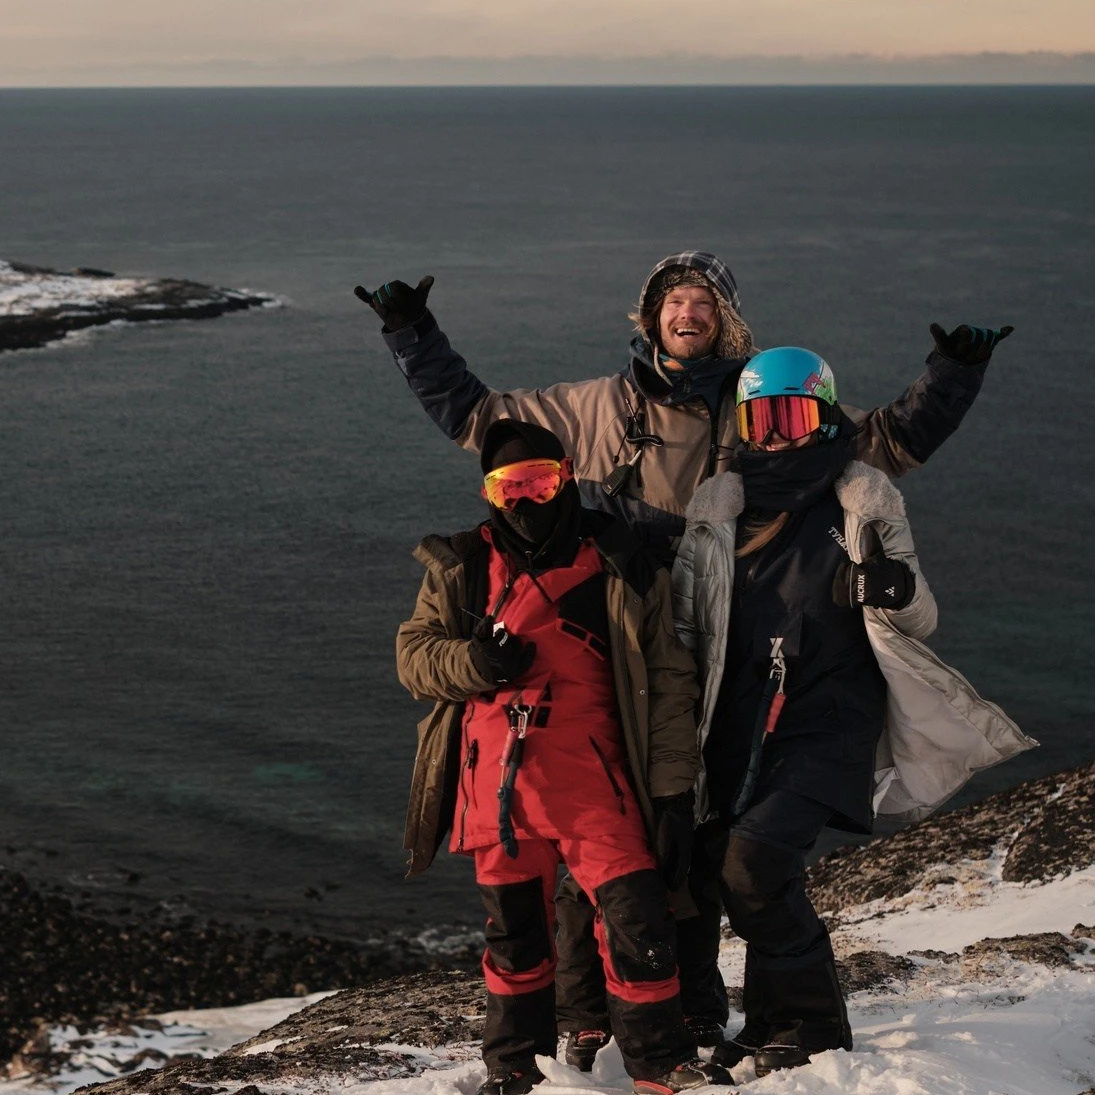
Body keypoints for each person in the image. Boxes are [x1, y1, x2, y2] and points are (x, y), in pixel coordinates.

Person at [358, 251, 1014, 1062]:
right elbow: (483, 421)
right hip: (630, 647)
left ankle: (717, 1015)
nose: (688, 309)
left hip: (722, 657)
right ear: (651, 315)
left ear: (725, 321)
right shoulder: (600, 408)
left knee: (692, 843)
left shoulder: (760, 407)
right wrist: (411, 333)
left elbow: (878, 440)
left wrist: (953, 373)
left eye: (705, 299)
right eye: (673, 297)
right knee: (632, 850)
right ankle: (628, 1012)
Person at [670, 346, 1036, 1076]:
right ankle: (771, 1022)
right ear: (743, 424)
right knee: (726, 863)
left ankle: (811, 1022)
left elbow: (920, 615)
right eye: (761, 418)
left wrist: (892, 587)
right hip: (741, 719)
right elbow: (688, 623)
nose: (775, 433)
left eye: (792, 414)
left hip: (830, 717)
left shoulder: (859, 498)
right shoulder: (717, 508)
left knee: (754, 864)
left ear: (824, 414)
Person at [395, 417, 733, 1095]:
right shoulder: (461, 568)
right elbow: (413, 657)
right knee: (514, 938)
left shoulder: (623, 565)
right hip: (496, 791)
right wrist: (474, 661)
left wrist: (671, 795)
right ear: (490, 492)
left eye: (538, 481)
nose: (523, 499)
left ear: (567, 476)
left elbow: (670, 684)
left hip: (595, 785)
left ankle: (658, 1064)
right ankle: (512, 1067)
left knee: (640, 922)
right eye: (507, 485)